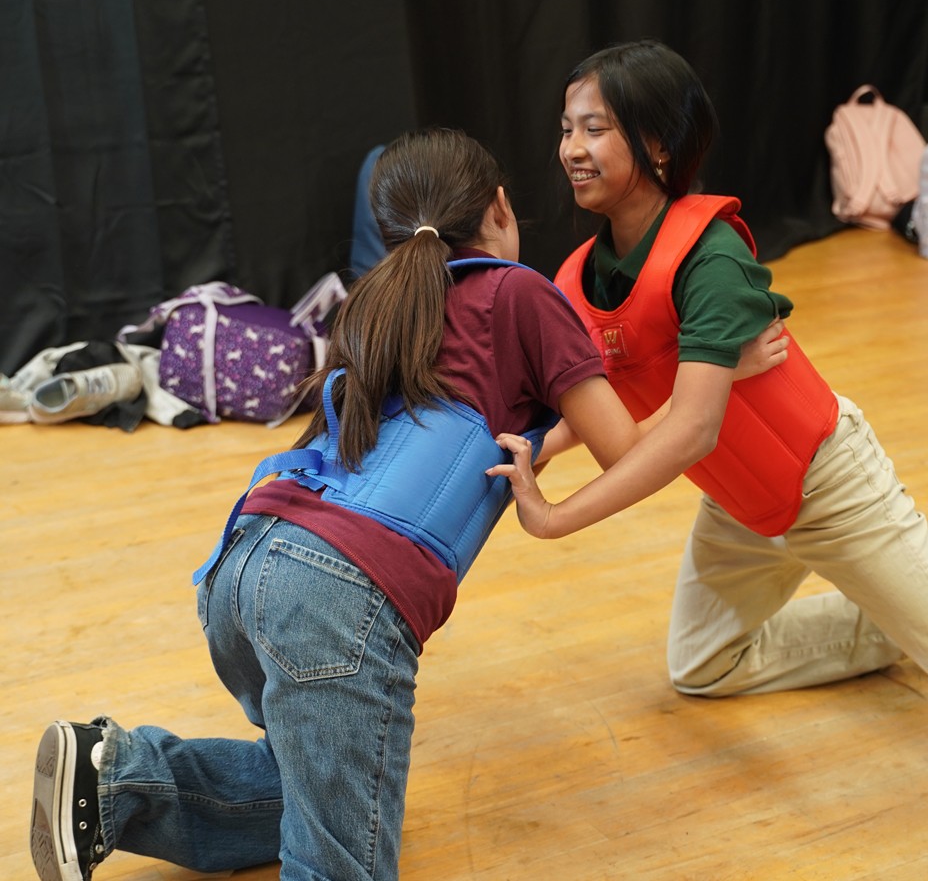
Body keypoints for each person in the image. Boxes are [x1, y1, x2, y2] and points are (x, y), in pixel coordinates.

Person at [27, 125, 789, 881]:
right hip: (336, 599)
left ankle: (113, 778)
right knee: (339, 857)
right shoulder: (520, 292)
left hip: (242, 565)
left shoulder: (379, 304)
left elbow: (509, 424)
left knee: (316, 781)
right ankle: (126, 780)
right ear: (498, 207)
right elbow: (629, 450)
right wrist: (714, 371)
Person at [493, 38, 928, 717]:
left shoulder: (708, 256)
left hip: (825, 482)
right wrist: (538, 447)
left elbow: (688, 429)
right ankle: (896, 621)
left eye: (595, 129)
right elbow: (614, 413)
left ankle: (926, 622)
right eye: (567, 129)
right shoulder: (581, 275)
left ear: (657, 144)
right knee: (703, 665)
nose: (571, 148)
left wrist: (556, 517)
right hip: (741, 500)